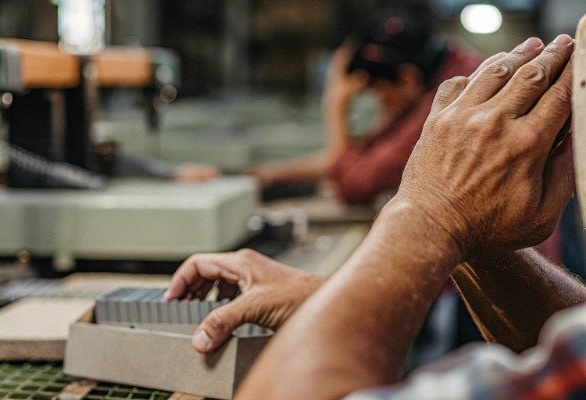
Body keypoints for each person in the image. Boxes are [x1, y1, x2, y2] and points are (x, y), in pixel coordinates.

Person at [165, 33, 586, 399]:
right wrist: (340, 307)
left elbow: (354, 178)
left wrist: (429, 211)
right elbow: (564, 341)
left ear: (405, 78)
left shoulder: (455, 91)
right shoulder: (448, 82)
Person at [249, 13, 482, 204]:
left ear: (407, 79)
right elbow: (365, 153)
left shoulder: (453, 94)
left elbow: (354, 184)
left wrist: (335, 105)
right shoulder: (437, 69)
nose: (381, 103)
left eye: (381, 93)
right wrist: (272, 174)